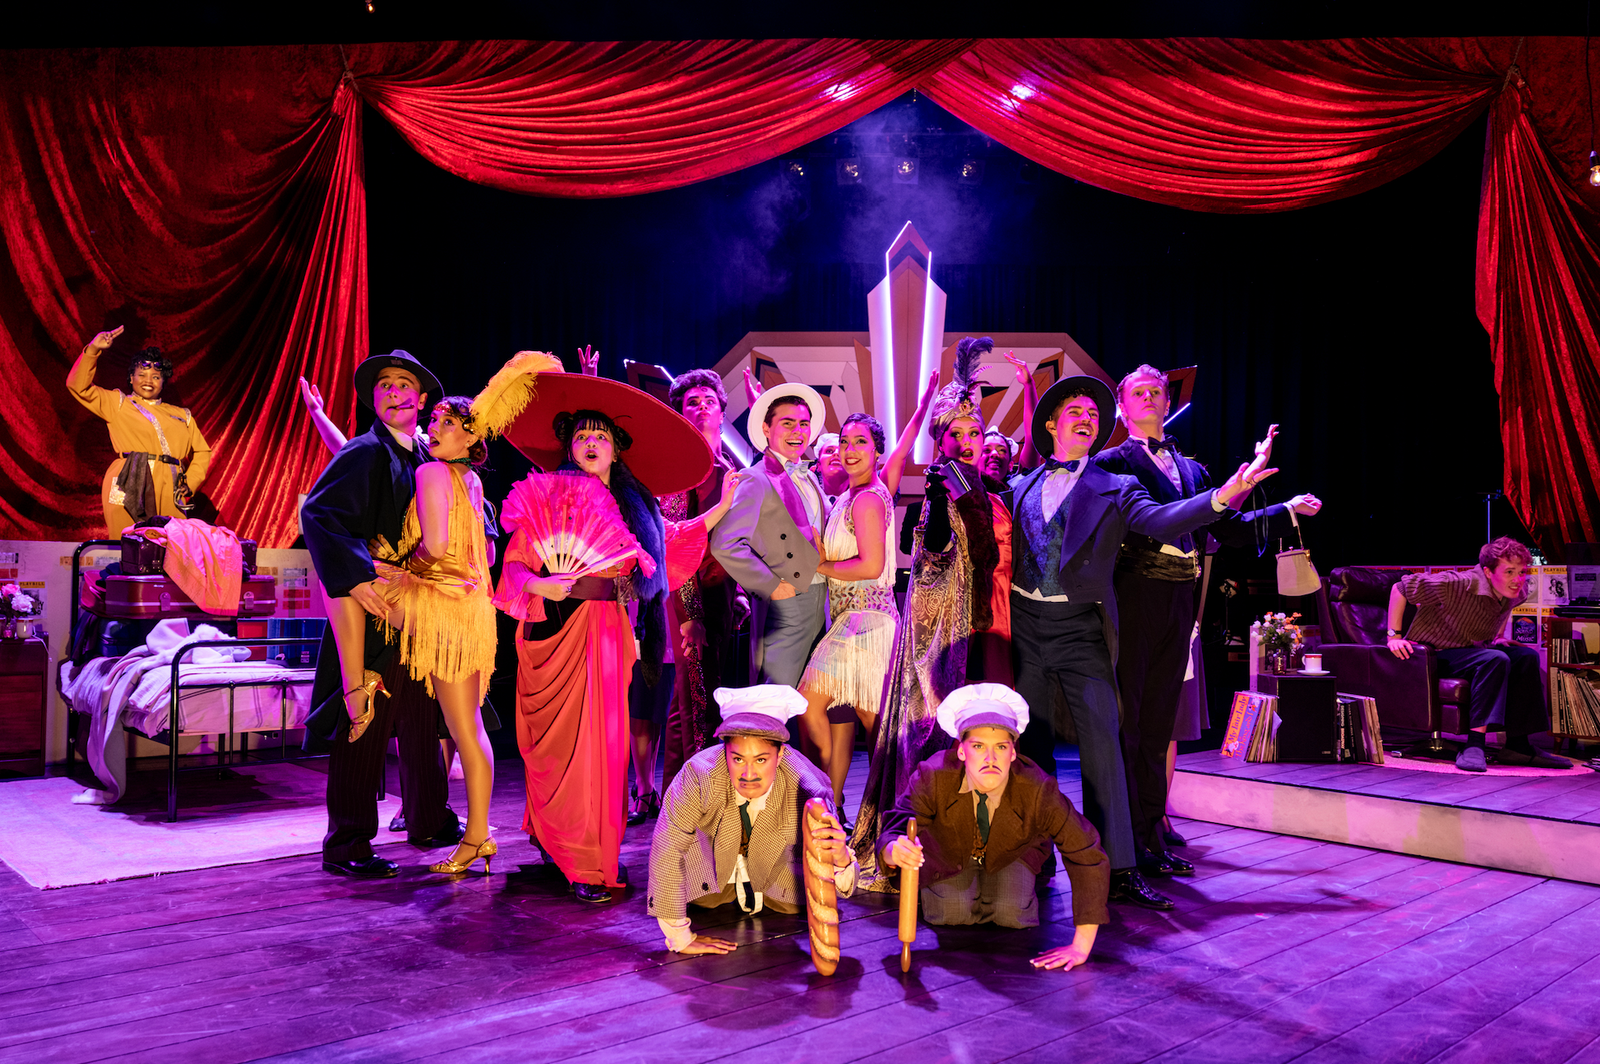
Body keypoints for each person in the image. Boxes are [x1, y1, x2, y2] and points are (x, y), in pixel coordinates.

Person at [1007, 373, 1275, 910]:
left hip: (1082, 628)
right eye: (1075, 411)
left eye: (1094, 413)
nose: (1087, 419)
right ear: (1052, 424)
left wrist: (1225, 495)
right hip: (1027, 629)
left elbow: (1162, 519)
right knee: (1031, 750)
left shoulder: (1115, 484)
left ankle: (1120, 870)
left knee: (1104, 748)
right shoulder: (1021, 486)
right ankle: (1035, 859)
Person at [495, 379, 735, 902]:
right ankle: (556, 844)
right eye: (581, 435)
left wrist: (721, 508)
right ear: (569, 446)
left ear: (616, 449)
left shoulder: (636, 506)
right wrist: (539, 583)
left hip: (604, 630)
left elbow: (672, 542)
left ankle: (589, 857)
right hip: (551, 626)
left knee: (598, 750)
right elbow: (513, 565)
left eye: (601, 436)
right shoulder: (549, 494)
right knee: (552, 748)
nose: (591, 443)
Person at [1094, 364, 1323, 874]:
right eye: (1138, 392)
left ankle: (1151, 837)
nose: (1150, 397)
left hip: (1180, 599)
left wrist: (1285, 509)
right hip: (1132, 596)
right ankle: (1122, 845)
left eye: (1157, 391)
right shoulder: (1110, 462)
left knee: (1159, 725)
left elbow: (1231, 528)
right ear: (1123, 409)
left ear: (1168, 402)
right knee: (1128, 724)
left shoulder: (1192, 469)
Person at [370, 352, 555, 874]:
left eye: (447, 423)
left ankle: (476, 837)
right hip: (471, 609)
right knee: (469, 726)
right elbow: (485, 555)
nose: (435, 427)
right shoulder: (470, 480)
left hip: (445, 607)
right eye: (435, 420)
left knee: (464, 728)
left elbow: (434, 546)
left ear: (472, 438)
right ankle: (477, 835)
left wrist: (400, 567)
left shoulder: (432, 471)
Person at [850, 336, 1015, 890]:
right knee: (936, 730)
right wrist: (951, 497)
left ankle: (980, 845)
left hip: (984, 623)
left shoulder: (988, 490)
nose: (967, 443)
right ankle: (928, 847)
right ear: (941, 442)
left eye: (974, 434)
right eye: (956, 435)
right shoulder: (944, 488)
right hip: (940, 634)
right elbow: (937, 554)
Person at [301, 350, 462, 877]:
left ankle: (429, 819)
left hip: (418, 608)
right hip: (374, 609)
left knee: (422, 716)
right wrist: (356, 576)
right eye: (384, 384)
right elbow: (319, 513)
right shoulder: (366, 451)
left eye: (403, 383)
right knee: (363, 716)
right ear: (374, 399)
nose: (394, 391)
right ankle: (347, 842)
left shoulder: (425, 453)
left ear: (422, 398)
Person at [877, 683, 1108, 971]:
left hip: (1011, 854)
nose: (990, 759)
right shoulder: (933, 776)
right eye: (978, 747)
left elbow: (1085, 850)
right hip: (950, 853)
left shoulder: (1037, 788)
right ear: (961, 752)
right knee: (953, 911)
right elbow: (897, 824)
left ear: (1013, 753)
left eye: (1001, 747)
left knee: (1012, 913)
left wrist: (1081, 946)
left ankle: (997, 890)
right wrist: (894, 850)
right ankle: (966, 892)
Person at [646, 684, 857, 954]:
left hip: (777, 879)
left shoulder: (810, 789)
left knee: (792, 903)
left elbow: (832, 883)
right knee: (703, 898)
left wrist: (841, 859)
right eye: (737, 759)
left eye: (760, 760)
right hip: (710, 875)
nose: (748, 774)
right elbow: (668, 845)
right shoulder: (697, 776)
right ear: (724, 751)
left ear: (780, 755)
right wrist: (681, 938)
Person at [1387, 537, 1570, 772]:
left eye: (1522, 572)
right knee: (1494, 659)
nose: (1518, 579)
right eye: (1510, 572)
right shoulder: (1456, 583)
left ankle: (1519, 747)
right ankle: (1475, 745)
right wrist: (1394, 636)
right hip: (1433, 655)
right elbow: (1400, 588)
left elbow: (1502, 609)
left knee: (1526, 657)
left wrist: (1498, 637)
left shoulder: (1517, 590)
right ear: (1488, 572)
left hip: (1473, 652)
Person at [655, 368, 751, 804]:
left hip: (722, 596)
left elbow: (733, 539)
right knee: (696, 705)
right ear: (679, 412)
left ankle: (678, 802)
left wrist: (740, 592)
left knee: (699, 701)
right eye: (692, 402)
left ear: (722, 411)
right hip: (689, 596)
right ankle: (692, 804)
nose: (701, 407)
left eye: (709, 400)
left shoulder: (726, 466)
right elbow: (676, 545)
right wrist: (689, 615)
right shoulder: (680, 465)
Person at [797, 413, 897, 815]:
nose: (849, 450)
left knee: (815, 703)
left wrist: (820, 565)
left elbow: (871, 566)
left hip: (867, 620)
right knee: (874, 727)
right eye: (844, 442)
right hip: (851, 619)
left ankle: (844, 803)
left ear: (877, 451)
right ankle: (869, 812)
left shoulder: (869, 498)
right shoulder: (848, 497)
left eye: (860, 442)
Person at [710, 383, 829, 688]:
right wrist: (772, 586)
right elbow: (725, 543)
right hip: (786, 605)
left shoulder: (812, 479)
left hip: (824, 601)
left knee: (811, 702)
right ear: (766, 428)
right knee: (777, 698)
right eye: (787, 423)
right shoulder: (755, 478)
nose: (797, 431)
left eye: (803, 424)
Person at [67, 326, 213, 534]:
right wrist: (92, 350)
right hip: (129, 479)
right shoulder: (118, 403)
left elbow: (202, 451)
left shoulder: (182, 415)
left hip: (170, 484)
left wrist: (189, 482)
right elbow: (78, 386)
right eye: (142, 375)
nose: (148, 381)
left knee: (170, 543)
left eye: (156, 376)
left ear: (163, 381)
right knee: (127, 540)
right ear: (130, 378)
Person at [813, 432, 849, 502]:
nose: (836, 453)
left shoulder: (865, 498)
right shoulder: (807, 499)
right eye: (829, 451)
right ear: (818, 465)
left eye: (842, 451)